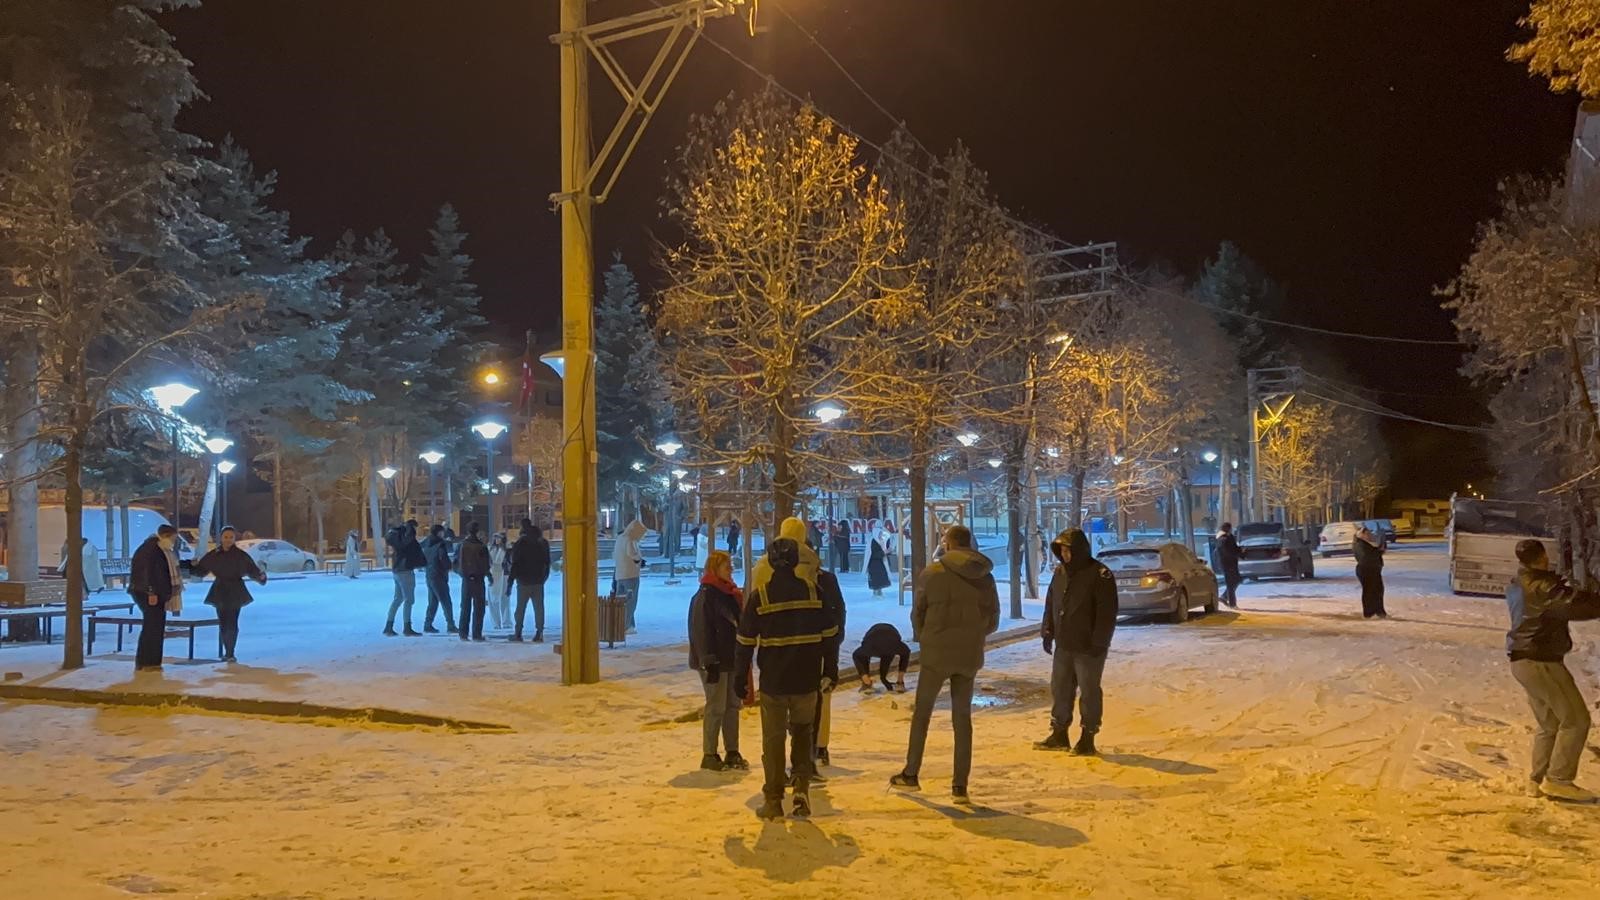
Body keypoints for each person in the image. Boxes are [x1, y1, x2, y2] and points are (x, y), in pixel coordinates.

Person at [891, 525, 1000, 802]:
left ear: (948, 545)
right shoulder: (985, 577)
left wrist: (928, 636)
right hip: (968, 655)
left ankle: (912, 773)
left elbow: (918, 614)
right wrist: (973, 635)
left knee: (922, 714)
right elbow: (993, 620)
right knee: (962, 719)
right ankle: (959, 786)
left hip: (935, 655)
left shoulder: (932, 574)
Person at [734, 535, 839, 820]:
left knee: (774, 740)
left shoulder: (761, 597)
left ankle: (773, 800)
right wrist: (830, 670)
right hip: (806, 680)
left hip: (774, 683)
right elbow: (830, 637)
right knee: (804, 736)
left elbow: (744, 642)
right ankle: (802, 790)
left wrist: (739, 678)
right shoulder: (813, 592)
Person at [1506, 539, 1600, 802]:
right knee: (1576, 720)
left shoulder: (1517, 584)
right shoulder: (1542, 586)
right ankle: (1559, 780)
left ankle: (1536, 780)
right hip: (1541, 661)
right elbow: (1574, 606)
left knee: (1550, 724)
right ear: (1543, 556)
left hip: (1523, 661)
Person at [1037, 528, 1119, 755]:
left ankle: (1087, 736)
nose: (1064, 555)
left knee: (1089, 691)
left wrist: (1100, 641)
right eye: (1061, 550)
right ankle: (1059, 733)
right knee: (1060, 689)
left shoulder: (1099, 574)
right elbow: (1051, 602)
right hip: (1064, 644)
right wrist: (1047, 630)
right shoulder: (1061, 573)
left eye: (1068, 550)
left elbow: (1107, 612)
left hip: (1088, 646)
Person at [688, 549, 749, 772]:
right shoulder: (705, 596)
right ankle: (710, 753)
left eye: (731, 566)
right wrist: (708, 659)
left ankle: (732, 751)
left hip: (731, 657)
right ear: (715, 568)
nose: (731, 570)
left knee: (732, 705)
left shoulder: (730, 594)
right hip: (715, 660)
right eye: (726, 566)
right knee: (716, 706)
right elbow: (700, 630)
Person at [190, 526, 268, 662]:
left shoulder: (241, 555)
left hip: (235, 590)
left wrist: (260, 577)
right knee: (223, 622)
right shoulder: (214, 554)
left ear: (234, 539)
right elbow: (201, 570)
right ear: (221, 538)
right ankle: (227, 650)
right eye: (225, 537)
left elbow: (252, 570)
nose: (228, 540)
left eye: (231, 537)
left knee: (232, 621)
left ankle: (230, 652)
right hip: (219, 590)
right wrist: (192, 566)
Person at [128, 525, 181, 671]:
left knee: (156, 626)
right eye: (173, 538)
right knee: (152, 627)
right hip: (148, 593)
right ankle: (147, 662)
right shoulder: (152, 550)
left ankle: (152, 661)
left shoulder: (157, 549)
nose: (173, 542)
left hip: (154, 593)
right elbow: (147, 572)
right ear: (164, 536)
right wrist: (151, 592)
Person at [509, 520, 552, 642]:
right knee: (539, 608)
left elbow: (515, 563)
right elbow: (547, 562)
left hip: (523, 581)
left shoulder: (521, 543)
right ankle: (539, 632)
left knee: (520, 608)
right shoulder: (542, 543)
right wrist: (543, 578)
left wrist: (511, 581)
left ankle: (518, 633)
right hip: (538, 580)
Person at [384, 520, 425, 637]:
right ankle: (407, 627)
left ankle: (389, 626)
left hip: (397, 570)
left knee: (398, 598)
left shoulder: (397, 539)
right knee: (409, 599)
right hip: (406, 571)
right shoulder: (407, 538)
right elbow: (414, 549)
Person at [420, 524, 458, 634]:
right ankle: (450, 624)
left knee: (433, 601)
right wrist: (449, 565)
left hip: (429, 575)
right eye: (442, 532)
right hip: (439, 576)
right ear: (439, 533)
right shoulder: (440, 545)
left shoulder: (426, 543)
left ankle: (428, 624)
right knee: (446, 601)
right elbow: (443, 560)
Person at [456, 523, 490, 642]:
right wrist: (486, 574)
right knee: (479, 607)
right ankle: (476, 633)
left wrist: (463, 574)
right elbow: (486, 564)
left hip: (466, 579)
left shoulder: (462, 545)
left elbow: (457, 562)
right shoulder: (481, 546)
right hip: (478, 579)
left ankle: (463, 632)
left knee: (465, 606)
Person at [853, 622, 910, 692]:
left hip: (873, 643)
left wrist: (864, 676)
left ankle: (866, 683)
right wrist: (900, 678)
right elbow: (906, 652)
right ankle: (900, 682)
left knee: (861, 656)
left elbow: (856, 655)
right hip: (891, 644)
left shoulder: (870, 644)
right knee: (891, 655)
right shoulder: (891, 650)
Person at [613, 519, 646, 634]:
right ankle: (626, 626)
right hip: (631, 574)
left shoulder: (620, 539)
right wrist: (640, 561)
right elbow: (632, 554)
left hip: (620, 575)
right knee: (630, 601)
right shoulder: (630, 540)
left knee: (620, 601)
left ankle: (619, 623)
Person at [1354, 525, 1387, 619]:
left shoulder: (1364, 543)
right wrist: (1379, 551)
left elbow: (1373, 552)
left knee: (1377, 590)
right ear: (1362, 534)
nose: (1369, 535)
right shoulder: (1360, 544)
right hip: (1367, 570)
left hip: (1372, 569)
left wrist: (1380, 549)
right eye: (1367, 533)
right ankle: (1370, 612)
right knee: (1369, 591)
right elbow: (1366, 556)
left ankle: (1378, 611)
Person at [487, 532, 511, 631]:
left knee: (505, 599)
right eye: (495, 538)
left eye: (499, 538)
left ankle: (506, 622)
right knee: (493, 600)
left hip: (504, 575)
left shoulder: (507, 549)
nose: (497, 540)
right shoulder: (490, 549)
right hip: (492, 575)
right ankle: (496, 622)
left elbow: (508, 562)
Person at [1216, 522, 1242, 609]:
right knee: (1231, 583)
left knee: (1237, 580)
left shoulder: (1229, 537)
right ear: (1227, 529)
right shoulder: (1222, 539)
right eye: (1230, 528)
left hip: (1232, 563)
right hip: (1227, 563)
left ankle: (1224, 597)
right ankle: (1232, 604)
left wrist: (1241, 551)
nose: (1232, 529)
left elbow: (1234, 548)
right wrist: (1237, 553)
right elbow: (1227, 551)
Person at [866, 527, 892, 597]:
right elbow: (873, 554)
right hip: (874, 564)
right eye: (879, 533)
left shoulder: (882, 541)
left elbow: (885, 550)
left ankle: (879, 592)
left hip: (881, 563)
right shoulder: (873, 542)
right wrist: (884, 552)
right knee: (876, 579)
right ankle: (876, 593)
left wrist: (888, 551)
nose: (881, 535)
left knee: (881, 578)